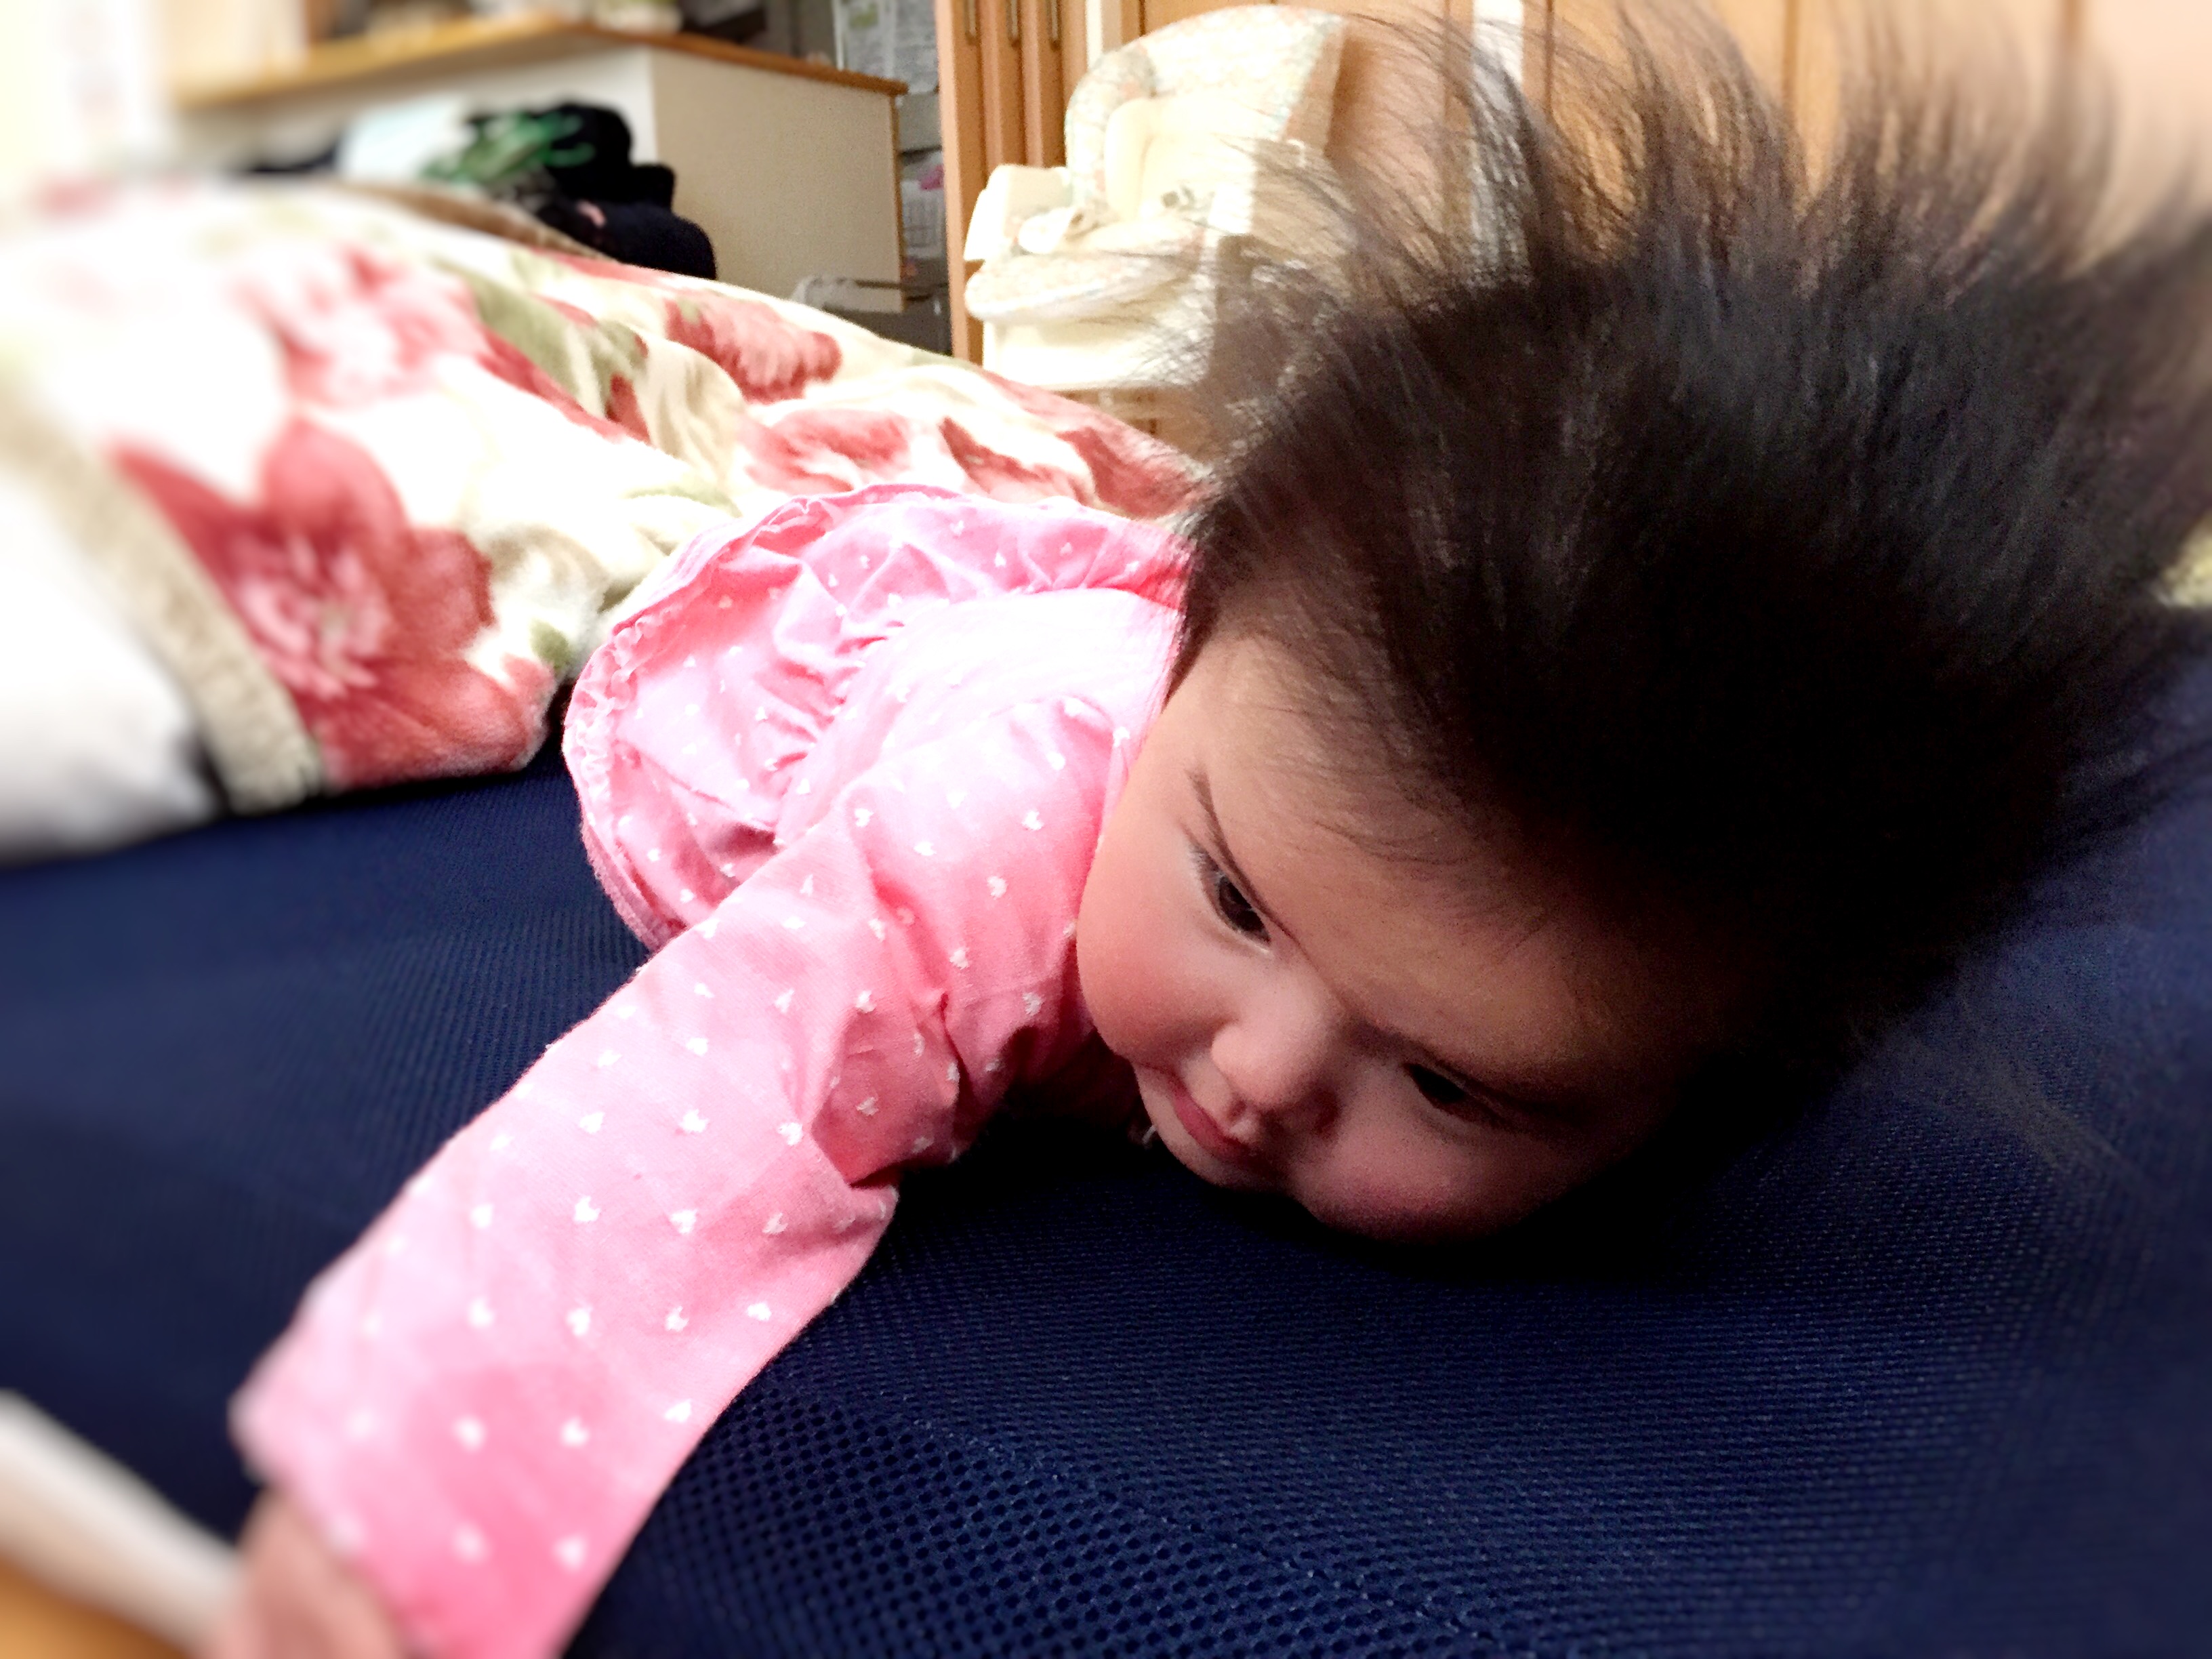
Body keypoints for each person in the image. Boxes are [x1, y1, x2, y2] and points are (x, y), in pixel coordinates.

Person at [207, 20, 2212, 1658]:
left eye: (1449, 1082)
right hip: (756, 686)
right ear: (1197, 666)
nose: (1254, 1084)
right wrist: (399, 1515)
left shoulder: (1619, 931)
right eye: (1238, 901)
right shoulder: (993, 839)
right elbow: (684, 1116)